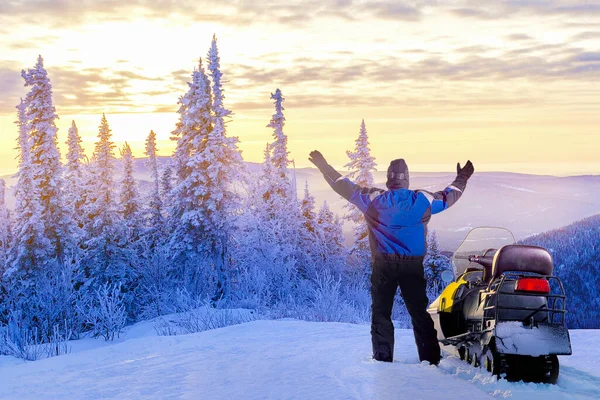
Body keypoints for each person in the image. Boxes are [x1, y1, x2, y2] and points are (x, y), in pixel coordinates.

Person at [308, 151, 474, 365]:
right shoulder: (421, 200)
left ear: (388, 179)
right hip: (413, 266)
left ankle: (383, 359)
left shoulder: (373, 199)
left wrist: (323, 165)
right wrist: (463, 177)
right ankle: (431, 360)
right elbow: (450, 196)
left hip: (383, 265)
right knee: (419, 313)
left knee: (381, 312)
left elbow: (342, 185)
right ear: (406, 179)